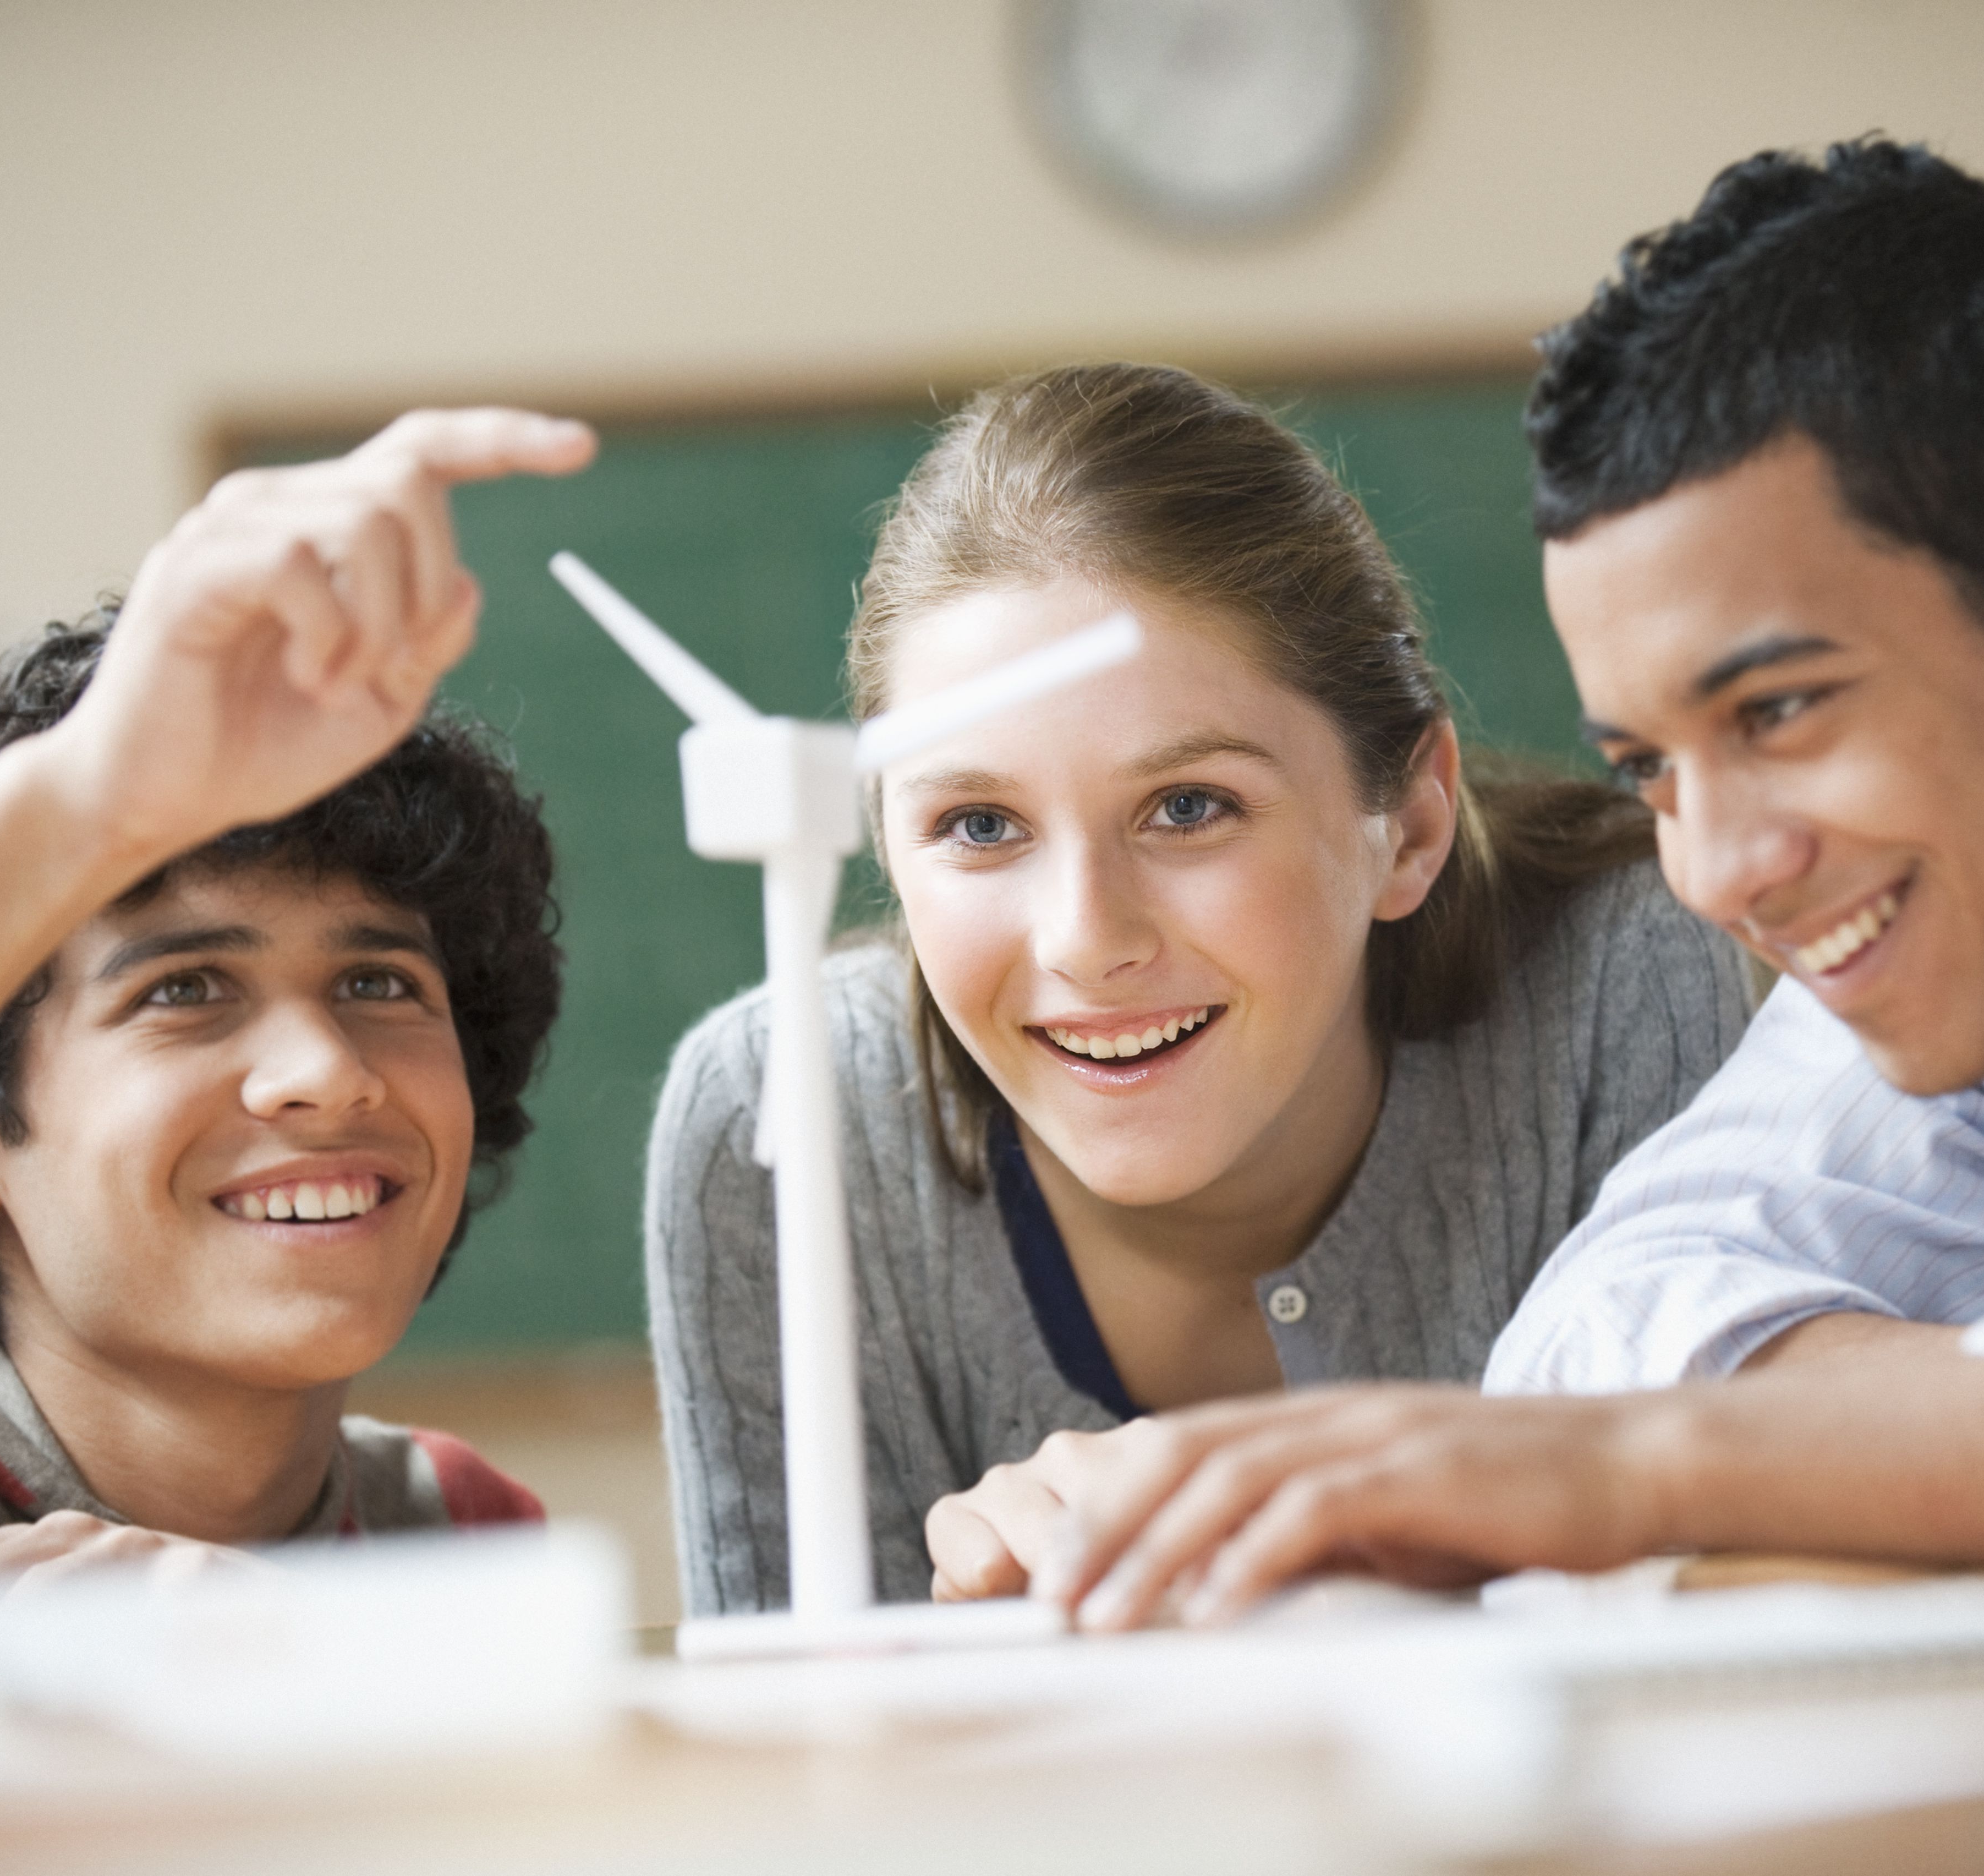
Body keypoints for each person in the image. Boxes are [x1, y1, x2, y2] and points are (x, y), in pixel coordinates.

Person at [1005, 140, 1984, 1746]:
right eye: (1649, 769)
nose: (1717, 867)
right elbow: (1606, 1333)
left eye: (1782, 710)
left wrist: (1655, 1473)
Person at [644, 362, 1752, 1613]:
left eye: (1188, 808)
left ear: (1414, 822)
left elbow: (1708, 1642)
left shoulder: (1620, 984)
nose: (1086, 939)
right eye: (978, 823)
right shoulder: (772, 1120)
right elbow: (789, 1772)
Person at [0, 408, 597, 1587]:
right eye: (187, 987)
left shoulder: (455, 1532)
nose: (326, 1069)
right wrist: (82, 799)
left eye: (376, 980)